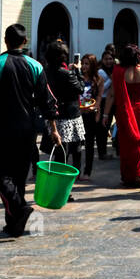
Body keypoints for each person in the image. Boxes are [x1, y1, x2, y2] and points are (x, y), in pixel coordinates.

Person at [0, 24, 60, 237]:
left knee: (2, 177)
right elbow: (48, 101)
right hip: (28, 129)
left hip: (2, 129)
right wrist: (53, 129)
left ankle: (20, 209)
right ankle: (14, 225)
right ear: (25, 41)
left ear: (6, 40)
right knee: (19, 178)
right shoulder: (35, 66)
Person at [112, 44, 140, 188]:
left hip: (125, 112)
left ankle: (130, 176)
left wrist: (106, 114)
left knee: (127, 145)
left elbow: (113, 94)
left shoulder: (118, 73)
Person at [45, 41, 86, 173]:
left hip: (55, 116)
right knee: (72, 151)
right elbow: (80, 88)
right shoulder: (67, 73)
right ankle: (67, 183)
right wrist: (78, 71)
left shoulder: (46, 71)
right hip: (69, 117)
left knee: (60, 153)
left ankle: (60, 183)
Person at [78, 54, 100, 178]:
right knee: (76, 145)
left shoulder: (97, 80)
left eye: (87, 64)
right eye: (83, 63)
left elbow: (98, 98)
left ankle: (87, 171)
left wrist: (96, 108)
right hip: (78, 115)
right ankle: (76, 170)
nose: (84, 66)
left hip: (90, 115)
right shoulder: (77, 78)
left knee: (89, 144)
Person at [93, 49, 115, 162]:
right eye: (106, 59)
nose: (108, 61)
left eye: (110, 59)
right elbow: (102, 87)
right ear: (102, 60)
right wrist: (111, 80)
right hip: (103, 101)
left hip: (111, 102)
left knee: (106, 128)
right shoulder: (101, 72)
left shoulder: (114, 70)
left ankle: (105, 151)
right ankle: (102, 152)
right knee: (102, 129)